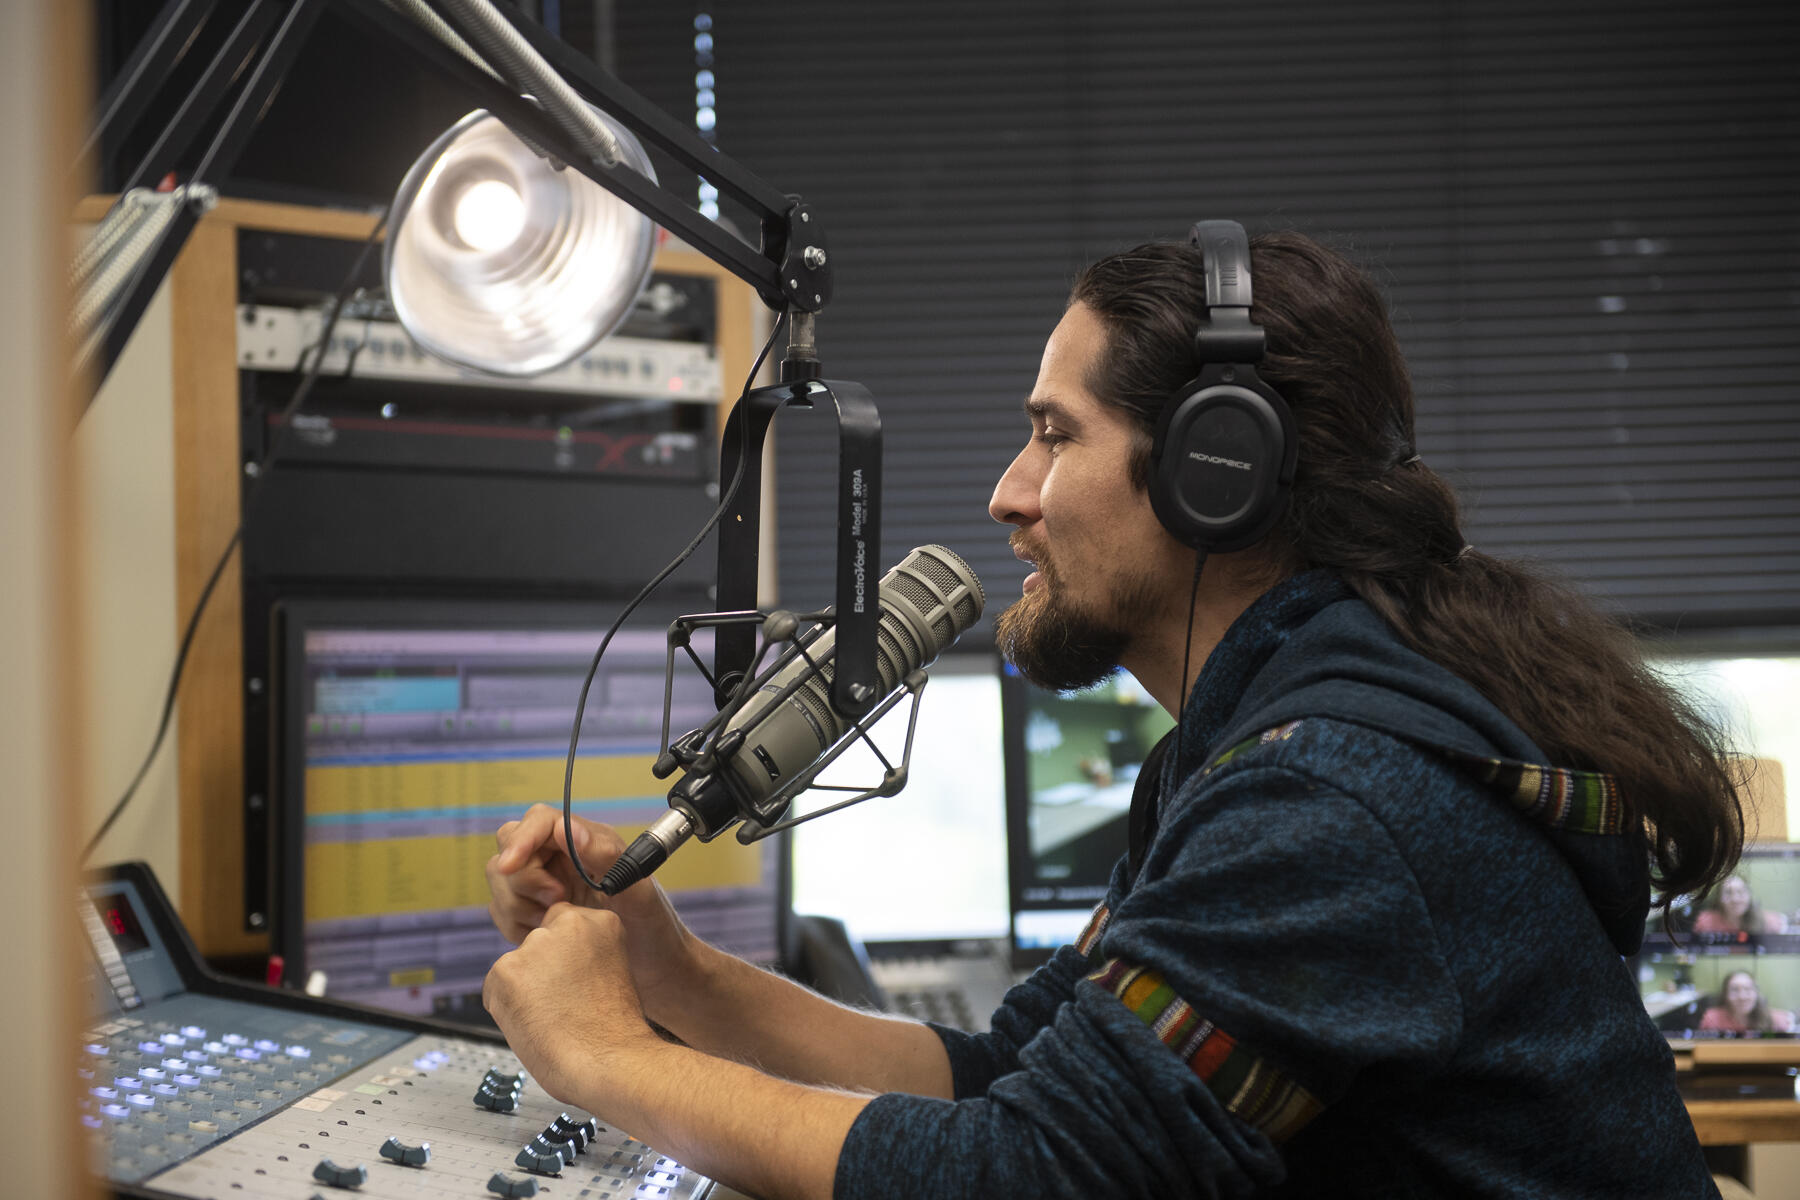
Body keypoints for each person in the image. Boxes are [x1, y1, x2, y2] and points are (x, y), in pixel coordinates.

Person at [480, 227, 1744, 1198]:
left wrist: (605, 1056)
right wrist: (670, 970)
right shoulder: (1246, 753)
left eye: (1052, 435)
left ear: (1215, 474)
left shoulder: (1334, 800)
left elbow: (1023, 1178)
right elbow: (999, 1083)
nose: (1006, 495)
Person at [1699, 970, 1795, 1033]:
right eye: (1735, 990)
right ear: (1725, 995)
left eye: (1748, 989)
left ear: (1756, 993)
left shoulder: (1777, 1020)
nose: (1742, 997)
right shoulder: (1711, 1019)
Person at [1693, 873, 1790, 935]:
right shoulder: (1704, 922)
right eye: (1728, 893)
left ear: (1749, 896)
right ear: (1719, 898)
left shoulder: (1768, 920)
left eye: (1741, 892)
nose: (1735, 899)